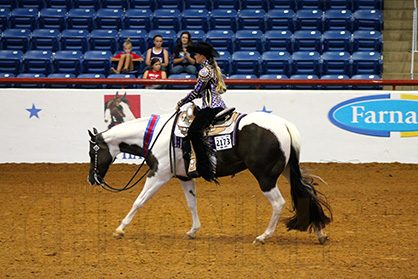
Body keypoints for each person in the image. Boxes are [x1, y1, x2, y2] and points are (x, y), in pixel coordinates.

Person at [175, 42, 227, 183]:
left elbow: (197, 92)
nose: (195, 56)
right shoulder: (213, 68)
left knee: (193, 132)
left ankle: (203, 167)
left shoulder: (204, 71)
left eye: (196, 54)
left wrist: (181, 102)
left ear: (202, 56)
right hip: (218, 105)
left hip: (210, 108)